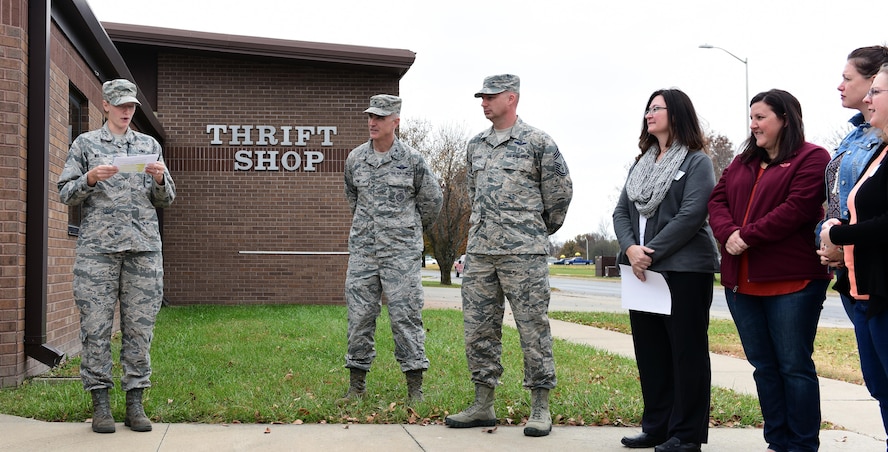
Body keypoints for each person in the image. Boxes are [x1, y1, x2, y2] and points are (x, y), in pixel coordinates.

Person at [444, 74, 573, 438]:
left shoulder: (538, 142)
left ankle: (540, 407)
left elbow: (560, 194)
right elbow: (473, 192)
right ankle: (483, 404)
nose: (483, 102)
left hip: (524, 254)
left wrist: (534, 231)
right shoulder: (475, 145)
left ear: (511, 98)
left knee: (533, 329)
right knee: (479, 330)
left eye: (490, 97)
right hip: (482, 251)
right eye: (481, 97)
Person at [707, 89, 831, 452]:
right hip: (741, 283)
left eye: (761, 117)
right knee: (764, 367)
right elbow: (717, 199)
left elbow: (798, 208)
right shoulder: (743, 161)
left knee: (794, 366)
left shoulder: (813, 158)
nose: (753, 124)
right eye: (752, 117)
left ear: (785, 118)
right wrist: (728, 233)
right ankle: (777, 442)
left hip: (792, 282)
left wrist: (746, 237)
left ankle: (803, 445)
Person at [58, 79, 176, 434]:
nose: (127, 111)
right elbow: (65, 192)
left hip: (143, 252)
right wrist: (90, 179)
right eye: (121, 105)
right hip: (98, 252)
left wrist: (159, 180)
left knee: (140, 329)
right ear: (105, 105)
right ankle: (101, 404)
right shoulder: (86, 144)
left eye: (132, 106)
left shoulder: (148, 145)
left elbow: (167, 199)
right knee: (96, 328)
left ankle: (136, 403)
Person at [613, 89, 719, 452]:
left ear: (676, 114)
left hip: (684, 272)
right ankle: (656, 427)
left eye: (657, 108)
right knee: (651, 352)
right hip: (642, 273)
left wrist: (650, 253)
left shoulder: (696, 162)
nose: (649, 114)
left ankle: (687, 434)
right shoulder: (641, 162)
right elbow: (621, 213)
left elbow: (692, 215)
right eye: (647, 108)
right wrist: (630, 249)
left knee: (686, 351)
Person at [342, 94, 443, 403]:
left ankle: (415, 389)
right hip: (363, 254)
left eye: (380, 118)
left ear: (395, 122)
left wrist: (404, 233)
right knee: (359, 317)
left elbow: (432, 203)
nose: (373, 122)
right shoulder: (355, 159)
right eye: (370, 116)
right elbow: (352, 198)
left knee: (405, 317)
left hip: (401, 256)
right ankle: (356, 387)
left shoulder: (412, 160)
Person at [820, 63, 888, 449]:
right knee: (880, 387)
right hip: (859, 288)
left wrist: (839, 235)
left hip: (881, 289)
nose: (866, 98)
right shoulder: (876, 148)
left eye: (876, 90)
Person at [819, 46, 888, 319]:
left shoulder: (881, 142)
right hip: (846, 263)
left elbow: (873, 206)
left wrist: (839, 240)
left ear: (874, 81)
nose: (840, 86)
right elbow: (836, 199)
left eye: (848, 78)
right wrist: (826, 244)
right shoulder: (852, 137)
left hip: (870, 263)